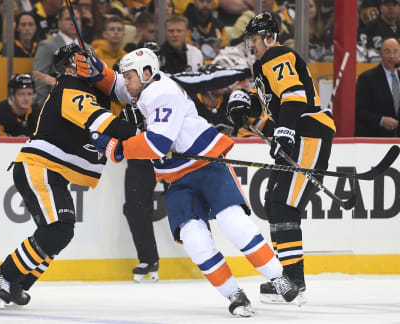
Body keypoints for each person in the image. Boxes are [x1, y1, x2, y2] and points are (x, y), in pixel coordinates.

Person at [75, 47, 300, 316]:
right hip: (176, 176)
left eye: (129, 76)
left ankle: (278, 276)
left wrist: (115, 148)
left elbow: (157, 145)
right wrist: (96, 66)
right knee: (194, 240)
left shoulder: (162, 93)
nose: (125, 82)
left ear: (147, 73)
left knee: (233, 222)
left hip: (206, 164)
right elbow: (114, 85)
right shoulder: (144, 86)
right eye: (125, 77)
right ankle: (234, 294)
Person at [0, 44, 138, 309]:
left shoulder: (92, 92)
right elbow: (104, 123)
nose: (88, 63)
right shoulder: (70, 90)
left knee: (60, 232)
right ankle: (2, 278)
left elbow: (121, 111)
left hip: (53, 172)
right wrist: (143, 137)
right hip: (38, 166)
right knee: (58, 231)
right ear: (67, 68)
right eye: (79, 61)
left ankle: (17, 283)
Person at [226, 12, 336, 304]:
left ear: (269, 37)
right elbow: (273, 105)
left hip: (308, 135)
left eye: (254, 39)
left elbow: (293, 95)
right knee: (275, 205)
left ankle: (294, 280)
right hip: (298, 135)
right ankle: (286, 276)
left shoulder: (277, 54)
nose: (252, 46)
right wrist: (244, 104)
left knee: (284, 205)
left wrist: (285, 130)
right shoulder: (265, 64)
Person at [33, 4, 85, 106]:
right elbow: (39, 80)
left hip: (83, 107)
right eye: (69, 19)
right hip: (56, 106)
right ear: (59, 23)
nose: (73, 22)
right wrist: (45, 107)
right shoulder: (47, 46)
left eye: (77, 19)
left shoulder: (88, 48)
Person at [356, 38, 400, 136]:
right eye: (387, 51)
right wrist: (381, 120)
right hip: (375, 138)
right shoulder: (366, 78)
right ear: (380, 54)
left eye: (395, 51)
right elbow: (359, 111)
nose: (391, 56)